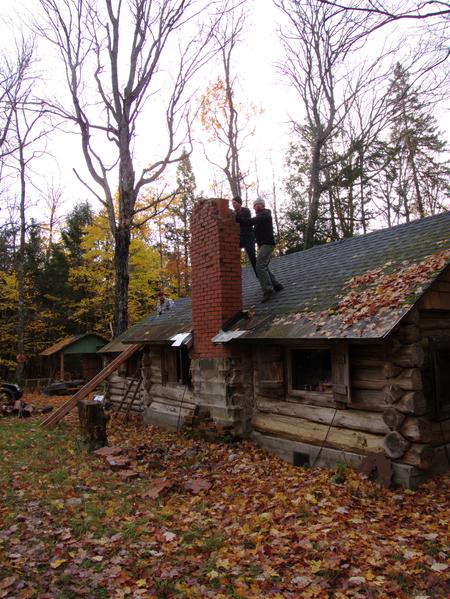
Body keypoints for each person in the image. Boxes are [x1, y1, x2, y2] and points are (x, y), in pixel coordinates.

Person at [236, 197, 283, 302]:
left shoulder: (265, 214)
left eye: (257, 205)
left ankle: (268, 291)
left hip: (267, 244)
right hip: (263, 245)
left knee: (259, 266)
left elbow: (251, 221)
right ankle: (277, 285)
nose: (255, 207)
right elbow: (253, 229)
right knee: (263, 265)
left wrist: (237, 218)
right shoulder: (260, 216)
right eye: (254, 205)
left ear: (262, 205)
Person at [232, 195, 257, 275]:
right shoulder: (233, 213)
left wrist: (235, 217)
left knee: (252, 257)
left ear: (239, 203)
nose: (233, 205)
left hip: (249, 237)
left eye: (235, 203)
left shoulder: (245, 211)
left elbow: (243, 220)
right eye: (232, 203)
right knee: (233, 253)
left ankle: (259, 274)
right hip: (240, 238)